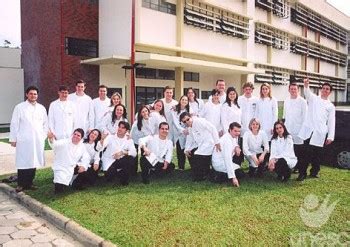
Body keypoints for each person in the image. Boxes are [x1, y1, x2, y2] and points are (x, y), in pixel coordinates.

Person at [10, 86, 48, 193]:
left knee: (33, 161)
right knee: (23, 161)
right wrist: (13, 138)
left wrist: (43, 136)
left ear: (37, 95)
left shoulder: (41, 108)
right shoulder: (20, 107)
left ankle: (30, 182)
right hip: (24, 139)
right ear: (27, 94)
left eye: (35, 94)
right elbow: (14, 123)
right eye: (31, 94)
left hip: (37, 140)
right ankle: (21, 184)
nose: (33, 96)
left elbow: (46, 123)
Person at [297, 79, 335, 181]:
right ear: (321, 89)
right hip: (309, 130)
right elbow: (307, 93)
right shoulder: (314, 98)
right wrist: (306, 85)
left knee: (317, 155)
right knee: (305, 154)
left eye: (327, 89)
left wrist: (331, 136)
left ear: (330, 92)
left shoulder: (330, 106)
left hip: (320, 132)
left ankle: (314, 172)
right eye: (324, 88)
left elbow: (331, 121)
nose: (325, 90)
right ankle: (302, 173)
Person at [180, 112, 221, 181]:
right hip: (201, 145)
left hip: (209, 144)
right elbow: (189, 140)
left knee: (197, 155)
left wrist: (217, 142)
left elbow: (212, 128)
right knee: (190, 153)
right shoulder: (190, 128)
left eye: (188, 119)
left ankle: (201, 176)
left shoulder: (199, 121)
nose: (187, 122)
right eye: (184, 121)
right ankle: (198, 173)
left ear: (191, 117)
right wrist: (186, 150)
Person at [48, 128, 90, 193]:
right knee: (59, 189)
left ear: (81, 138)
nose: (76, 136)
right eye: (75, 134)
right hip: (61, 167)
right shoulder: (65, 142)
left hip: (72, 167)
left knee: (85, 172)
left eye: (78, 135)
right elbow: (55, 145)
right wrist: (51, 139)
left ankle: (75, 183)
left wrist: (83, 166)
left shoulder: (82, 146)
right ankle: (61, 183)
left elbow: (86, 157)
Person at [101, 121, 136, 185]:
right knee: (110, 178)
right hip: (109, 160)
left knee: (130, 158)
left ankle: (124, 179)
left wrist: (122, 152)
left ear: (126, 130)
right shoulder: (110, 137)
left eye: (123, 128)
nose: (120, 129)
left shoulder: (129, 139)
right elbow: (102, 146)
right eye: (119, 127)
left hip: (120, 160)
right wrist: (102, 139)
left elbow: (134, 153)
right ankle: (119, 173)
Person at [212, 122, 246, 187]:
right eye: (235, 131)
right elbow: (227, 159)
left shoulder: (231, 136)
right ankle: (218, 176)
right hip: (220, 163)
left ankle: (222, 175)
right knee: (240, 174)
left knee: (240, 172)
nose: (237, 133)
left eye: (239, 131)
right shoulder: (227, 140)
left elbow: (234, 143)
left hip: (223, 161)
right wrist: (233, 178)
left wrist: (236, 147)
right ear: (230, 130)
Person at [283, 82, 307, 173]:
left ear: (298, 90)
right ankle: (291, 165)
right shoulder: (286, 100)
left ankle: (299, 167)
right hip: (288, 129)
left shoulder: (302, 101)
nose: (293, 91)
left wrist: (303, 131)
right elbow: (285, 115)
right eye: (291, 89)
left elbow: (305, 117)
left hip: (298, 130)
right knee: (289, 148)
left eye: (295, 89)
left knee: (299, 150)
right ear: (289, 90)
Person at [130, 105, 158, 175]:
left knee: (146, 154)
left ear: (148, 111)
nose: (145, 113)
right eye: (143, 112)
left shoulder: (153, 119)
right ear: (140, 114)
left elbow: (155, 129)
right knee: (135, 155)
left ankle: (148, 169)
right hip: (135, 139)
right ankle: (133, 172)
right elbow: (132, 133)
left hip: (145, 139)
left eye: (146, 111)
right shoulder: (137, 122)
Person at [171, 95, 190, 170]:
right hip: (178, 132)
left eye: (186, 100)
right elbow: (175, 122)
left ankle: (192, 164)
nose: (184, 101)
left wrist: (187, 129)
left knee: (188, 148)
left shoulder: (188, 109)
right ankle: (181, 167)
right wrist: (182, 130)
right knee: (179, 150)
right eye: (183, 99)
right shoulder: (174, 110)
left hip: (187, 132)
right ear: (180, 100)